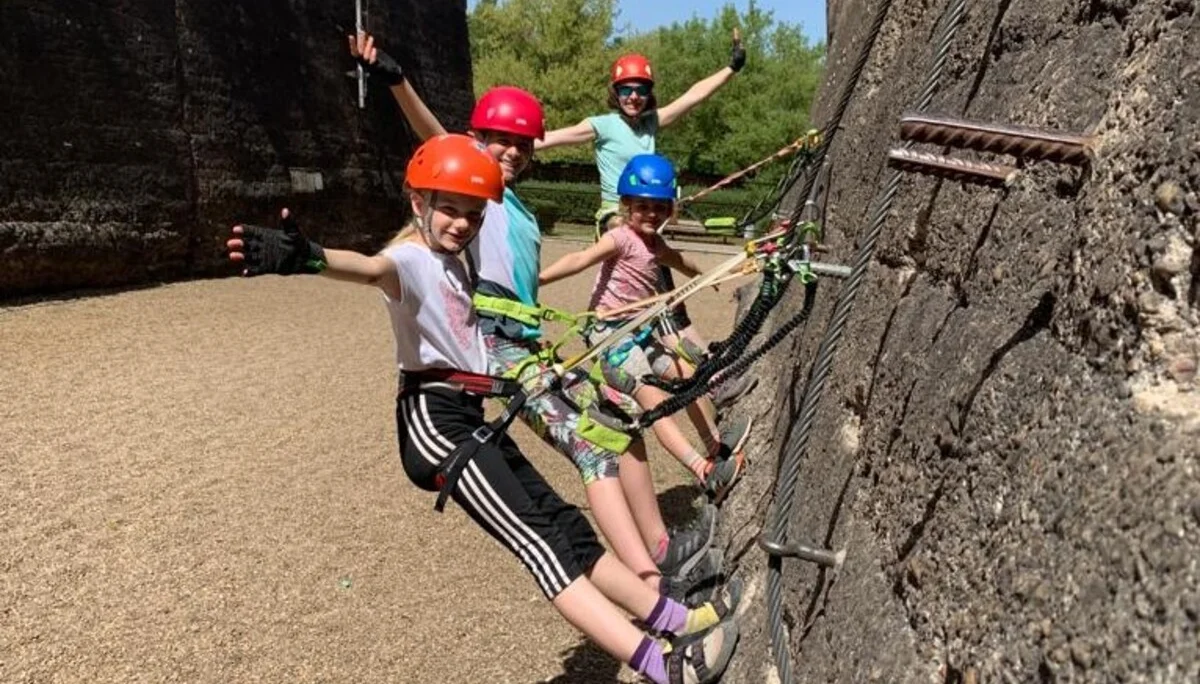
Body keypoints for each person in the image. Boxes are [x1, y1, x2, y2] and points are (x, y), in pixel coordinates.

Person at [225, 133, 739, 683]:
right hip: (435, 425)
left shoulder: (456, 261)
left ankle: (673, 617)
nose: (461, 223)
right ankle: (661, 664)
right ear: (418, 203)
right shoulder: (411, 259)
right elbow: (371, 269)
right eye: (448, 208)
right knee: (542, 545)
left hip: (469, 416)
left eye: (472, 214)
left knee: (566, 526)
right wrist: (312, 258)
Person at [348, 32, 724, 594]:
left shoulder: (512, 204)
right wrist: (396, 79)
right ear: (478, 141)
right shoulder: (481, 193)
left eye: (522, 144)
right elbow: (438, 136)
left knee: (621, 426)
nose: (512, 152)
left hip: (526, 340)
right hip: (503, 348)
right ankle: (652, 583)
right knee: (592, 449)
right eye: (500, 141)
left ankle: (662, 548)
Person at [536, 43, 759, 423]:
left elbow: (692, 98)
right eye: (626, 89)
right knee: (657, 294)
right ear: (615, 92)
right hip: (618, 216)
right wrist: (506, 139)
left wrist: (730, 69)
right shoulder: (604, 125)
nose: (634, 96)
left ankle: (712, 381)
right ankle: (710, 379)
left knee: (673, 307)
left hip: (649, 224)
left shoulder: (652, 122)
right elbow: (556, 136)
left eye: (640, 89)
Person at [539, 154, 746, 504]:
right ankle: (704, 470)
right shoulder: (619, 238)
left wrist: (706, 276)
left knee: (689, 374)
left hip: (639, 330)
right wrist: (539, 278)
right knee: (654, 401)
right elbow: (580, 259)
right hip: (611, 336)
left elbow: (680, 261)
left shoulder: (655, 244)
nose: (651, 214)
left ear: (669, 209)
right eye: (642, 206)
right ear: (626, 205)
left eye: (659, 207)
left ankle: (715, 447)